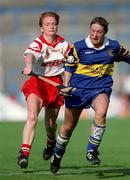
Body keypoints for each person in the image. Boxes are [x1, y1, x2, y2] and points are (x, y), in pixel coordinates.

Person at [50, 16, 130, 173]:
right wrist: (65, 86)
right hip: (78, 90)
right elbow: (69, 68)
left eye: (99, 32)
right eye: (92, 31)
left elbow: (128, 57)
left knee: (101, 112)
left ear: (104, 32)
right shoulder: (79, 47)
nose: (95, 35)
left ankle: (91, 150)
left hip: (100, 88)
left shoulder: (113, 46)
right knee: (68, 127)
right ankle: (57, 155)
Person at [17, 11, 72, 169]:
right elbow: (29, 54)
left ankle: (50, 141)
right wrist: (28, 65)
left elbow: (73, 60)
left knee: (50, 125)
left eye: (53, 24)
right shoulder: (38, 43)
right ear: (41, 28)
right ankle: (24, 154)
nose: (51, 27)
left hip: (55, 85)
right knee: (32, 116)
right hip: (37, 83)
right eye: (47, 24)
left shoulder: (63, 44)